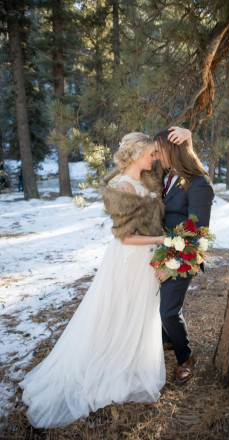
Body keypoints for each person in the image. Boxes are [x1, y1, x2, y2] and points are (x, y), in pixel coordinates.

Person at [20, 132, 167, 429]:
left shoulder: (142, 179)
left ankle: (132, 363)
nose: (155, 158)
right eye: (151, 153)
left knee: (137, 314)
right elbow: (125, 237)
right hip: (129, 261)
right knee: (120, 313)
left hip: (144, 259)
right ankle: (112, 364)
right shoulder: (123, 185)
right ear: (137, 152)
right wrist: (163, 239)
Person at [153, 127, 214, 385]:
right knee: (154, 305)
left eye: (160, 151)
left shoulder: (199, 183)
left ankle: (185, 356)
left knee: (168, 310)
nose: (156, 156)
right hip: (159, 247)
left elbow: (197, 229)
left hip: (184, 254)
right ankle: (167, 340)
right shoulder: (165, 175)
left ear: (173, 151)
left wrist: (168, 262)